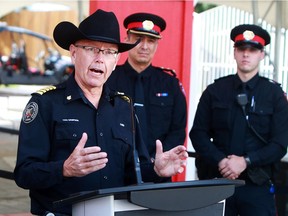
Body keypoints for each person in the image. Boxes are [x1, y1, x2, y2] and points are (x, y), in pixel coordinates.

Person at [13, 9, 188, 216]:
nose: (100, 59)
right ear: (74, 52)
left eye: (109, 52)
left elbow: (135, 172)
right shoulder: (45, 104)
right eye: (92, 49)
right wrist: (64, 169)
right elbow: (24, 174)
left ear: (115, 62)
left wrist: (156, 170)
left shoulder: (124, 107)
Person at [189, 24, 288, 216]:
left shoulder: (274, 95)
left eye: (252, 50)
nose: (246, 54)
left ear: (261, 55)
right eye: (242, 49)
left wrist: (246, 161)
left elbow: (280, 144)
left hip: (257, 184)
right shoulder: (215, 91)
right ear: (234, 52)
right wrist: (221, 161)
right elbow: (198, 134)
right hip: (218, 181)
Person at [107, 12, 187, 163]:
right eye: (138, 39)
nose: (144, 46)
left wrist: (159, 159)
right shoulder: (108, 80)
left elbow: (177, 130)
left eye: (151, 41)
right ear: (126, 40)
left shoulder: (170, 84)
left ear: (156, 45)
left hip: (159, 169)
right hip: (116, 168)